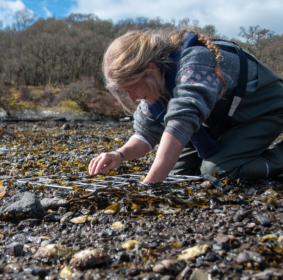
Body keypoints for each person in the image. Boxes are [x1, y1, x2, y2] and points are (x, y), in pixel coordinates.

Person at [88, 29, 283, 183]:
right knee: (178, 174)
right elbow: (145, 135)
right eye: (125, 92)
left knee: (217, 172)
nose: (131, 98)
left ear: (151, 70)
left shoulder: (197, 63)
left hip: (263, 110)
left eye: (132, 88)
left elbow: (182, 122)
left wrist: (150, 185)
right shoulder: (153, 89)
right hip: (223, 120)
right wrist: (119, 154)